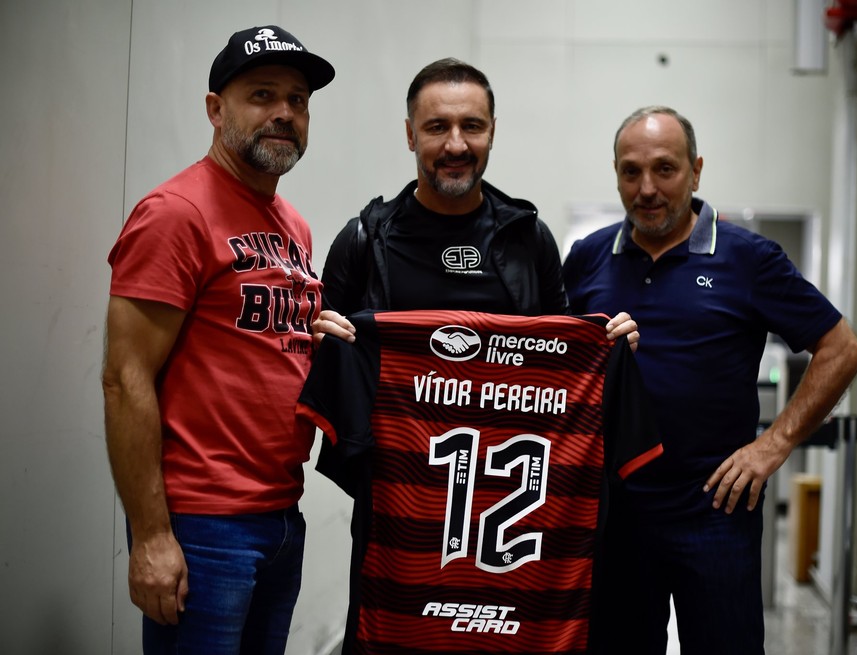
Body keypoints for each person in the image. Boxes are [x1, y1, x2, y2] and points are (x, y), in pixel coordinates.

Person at [562, 105, 857, 654]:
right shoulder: (586, 260)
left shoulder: (748, 259)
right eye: (631, 171)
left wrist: (773, 445)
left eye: (665, 169)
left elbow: (841, 348)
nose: (647, 188)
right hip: (617, 514)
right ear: (615, 173)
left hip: (716, 512)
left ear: (696, 171)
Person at [101, 25, 335, 654]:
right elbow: (125, 380)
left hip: (282, 515)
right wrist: (151, 536)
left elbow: (257, 341)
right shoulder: (175, 213)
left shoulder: (294, 226)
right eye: (262, 95)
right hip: (203, 525)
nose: (284, 113)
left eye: (298, 99)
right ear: (215, 109)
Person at [315, 57, 635, 344]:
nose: (456, 146)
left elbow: (562, 357)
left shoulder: (530, 239)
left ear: (492, 133)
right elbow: (325, 366)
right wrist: (318, 339)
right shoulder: (363, 242)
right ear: (411, 135)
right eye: (437, 127)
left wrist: (606, 343)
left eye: (472, 126)